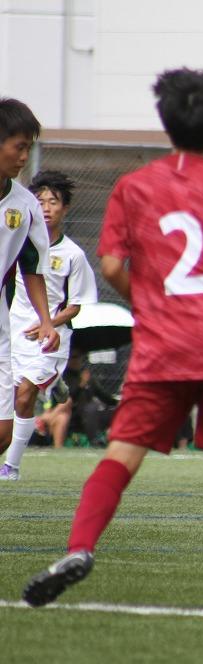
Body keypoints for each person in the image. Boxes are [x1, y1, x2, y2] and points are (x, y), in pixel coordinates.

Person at [23, 68, 203, 613]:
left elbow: (109, 263)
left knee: (120, 456)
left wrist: (149, 300)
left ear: (164, 120)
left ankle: (79, 548)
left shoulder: (134, 186)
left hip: (162, 347)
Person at [0, 170, 98, 480]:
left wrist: (48, 323)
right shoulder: (16, 243)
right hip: (12, 331)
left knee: (26, 394)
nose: (45, 207)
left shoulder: (74, 256)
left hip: (48, 338)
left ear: (64, 208)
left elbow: (76, 305)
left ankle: (11, 466)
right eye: (40, 201)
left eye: (53, 202)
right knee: (13, 396)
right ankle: (56, 387)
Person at [0, 99, 61, 482]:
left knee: (2, 433)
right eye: (18, 146)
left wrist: (47, 321)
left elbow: (32, 267)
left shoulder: (24, 205)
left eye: (29, 148)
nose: (24, 157)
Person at [64, 347, 118, 445]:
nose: (76, 360)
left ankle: (120, 439)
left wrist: (120, 403)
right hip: (75, 414)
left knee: (116, 411)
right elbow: (67, 397)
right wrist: (81, 385)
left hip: (93, 412)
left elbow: (103, 396)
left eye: (78, 357)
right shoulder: (64, 377)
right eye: (73, 357)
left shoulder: (86, 376)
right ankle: (95, 441)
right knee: (91, 408)